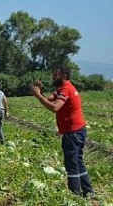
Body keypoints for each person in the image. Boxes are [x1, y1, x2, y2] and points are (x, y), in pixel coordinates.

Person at [31, 67, 94, 197]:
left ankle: (75, 195)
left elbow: (55, 107)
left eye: (55, 75)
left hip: (73, 132)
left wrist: (38, 95)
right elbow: (49, 99)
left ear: (64, 76)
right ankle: (88, 191)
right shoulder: (63, 88)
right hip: (78, 130)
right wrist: (40, 92)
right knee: (78, 161)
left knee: (71, 163)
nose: (53, 77)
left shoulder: (66, 89)